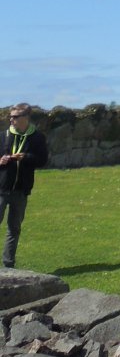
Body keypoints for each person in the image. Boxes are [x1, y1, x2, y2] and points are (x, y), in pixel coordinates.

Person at [0, 103, 48, 268]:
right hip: (1, 189)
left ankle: (8, 265)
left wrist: (26, 157)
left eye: (15, 117)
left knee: (14, 228)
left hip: (21, 191)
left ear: (26, 118)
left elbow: (42, 160)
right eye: (10, 116)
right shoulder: (3, 136)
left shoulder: (37, 137)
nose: (11, 120)